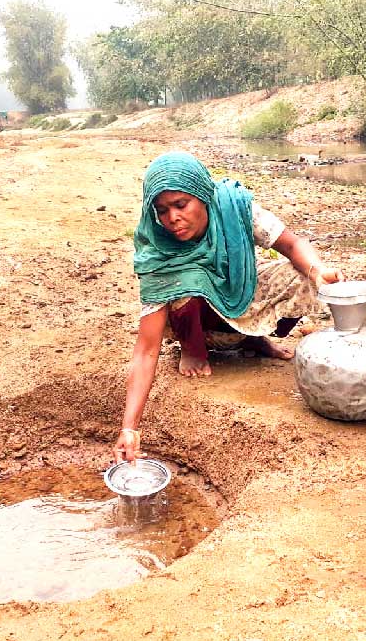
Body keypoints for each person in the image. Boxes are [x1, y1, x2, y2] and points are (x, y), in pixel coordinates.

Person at [113, 152, 345, 464]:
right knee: (186, 284)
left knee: (300, 277)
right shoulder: (158, 250)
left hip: (239, 291)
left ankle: (254, 338)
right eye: (162, 210)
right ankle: (193, 349)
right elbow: (145, 350)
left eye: (181, 205)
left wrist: (318, 271)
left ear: (202, 196)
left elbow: (291, 245)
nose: (172, 219)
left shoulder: (235, 208)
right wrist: (130, 428)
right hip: (199, 316)